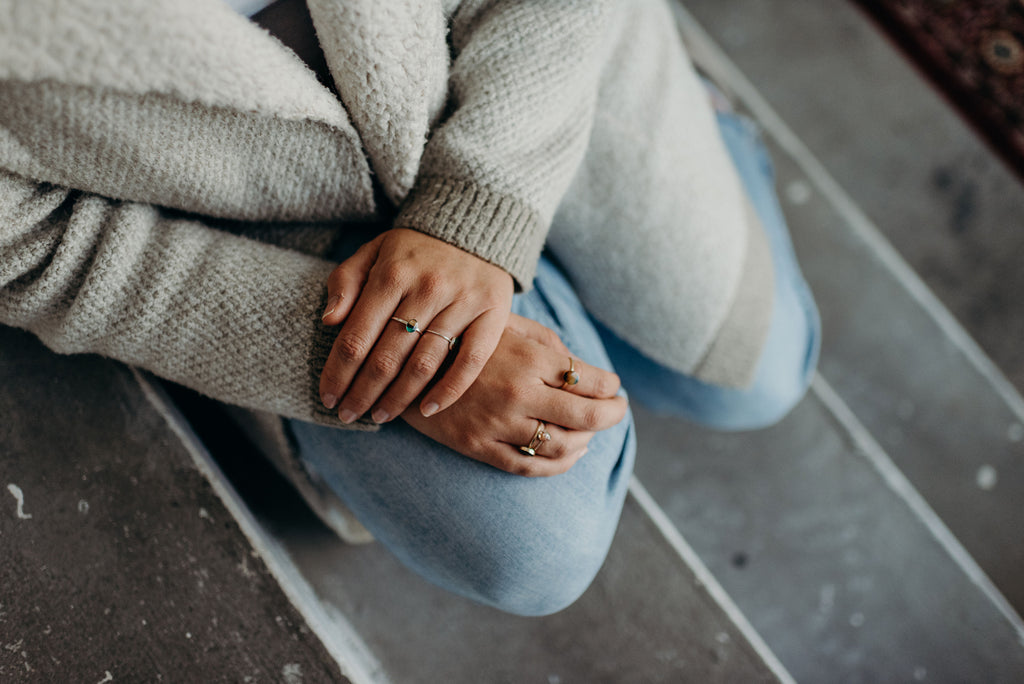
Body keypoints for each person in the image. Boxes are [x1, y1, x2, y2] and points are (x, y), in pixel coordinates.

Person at [0, 0, 818, 616]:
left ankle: (673, 109)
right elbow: (28, 242)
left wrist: (481, 208)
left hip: (474, 28)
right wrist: (364, 349)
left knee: (757, 373)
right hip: (236, 201)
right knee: (538, 544)